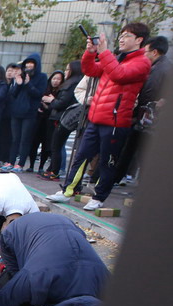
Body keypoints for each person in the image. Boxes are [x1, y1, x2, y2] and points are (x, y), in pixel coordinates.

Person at [47, 23, 152, 210]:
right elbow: (90, 70)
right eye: (121, 35)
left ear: (139, 40)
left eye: (127, 35)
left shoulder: (141, 62)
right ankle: (67, 191)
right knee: (81, 156)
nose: (121, 38)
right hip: (96, 117)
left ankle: (99, 197)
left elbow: (119, 75)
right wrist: (90, 52)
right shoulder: (115, 58)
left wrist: (104, 52)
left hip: (116, 121)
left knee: (107, 161)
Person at [114, 35, 173, 183]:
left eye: (146, 51)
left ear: (155, 52)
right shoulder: (160, 67)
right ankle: (115, 179)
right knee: (132, 150)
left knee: (138, 152)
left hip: (149, 118)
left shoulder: (162, 69)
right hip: (145, 116)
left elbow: (153, 93)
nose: (143, 54)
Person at [2, 54, 47, 172]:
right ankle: (11, 161)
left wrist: (28, 84)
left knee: (24, 139)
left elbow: (38, 94)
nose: (28, 68)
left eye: (31, 66)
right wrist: (19, 83)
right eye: (26, 66)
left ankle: (21, 163)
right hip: (16, 111)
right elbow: (13, 93)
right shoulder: (20, 76)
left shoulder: (41, 77)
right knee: (15, 138)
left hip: (30, 112)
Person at [28, 70, 64, 174]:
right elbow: (37, 99)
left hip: (51, 122)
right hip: (39, 119)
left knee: (47, 144)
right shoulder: (44, 88)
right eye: (54, 78)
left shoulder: (61, 92)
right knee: (34, 142)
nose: (55, 81)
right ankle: (31, 165)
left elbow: (57, 106)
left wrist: (50, 103)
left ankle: (41, 166)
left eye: (58, 79)